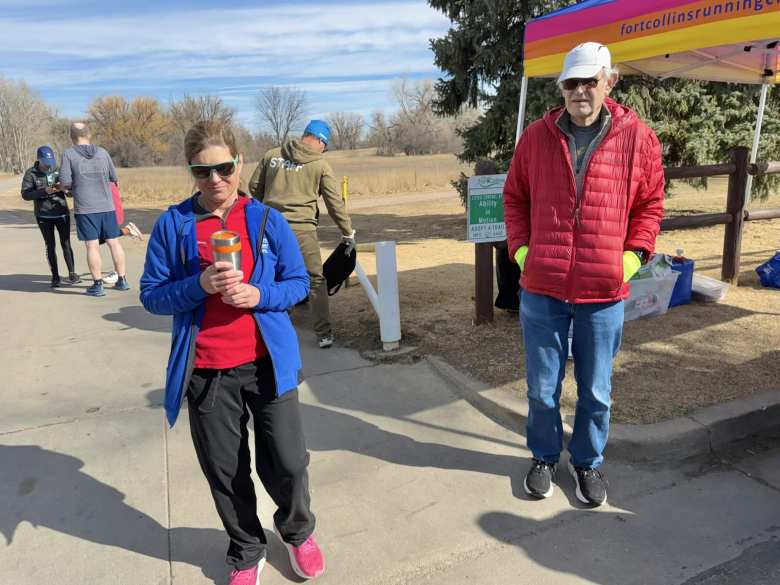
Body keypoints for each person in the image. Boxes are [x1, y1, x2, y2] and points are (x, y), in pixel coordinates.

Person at [140, 121, 325, 584]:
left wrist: (258, 295)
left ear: (239, 164)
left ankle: (298, 531)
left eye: (224, 168)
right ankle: (246, 547)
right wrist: (197, 285)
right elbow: (152, 295)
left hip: (267, 365)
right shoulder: (174, 225)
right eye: (203, 172)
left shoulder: (267, 219)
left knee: (287, 461)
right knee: (225, 469)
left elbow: (299, 283)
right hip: (207, 371)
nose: (215, 180)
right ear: (191, 173)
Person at [503, 42, 664, 506]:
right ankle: (543, 457)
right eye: (571, 83)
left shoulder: (638, 138)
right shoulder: (536, 136)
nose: (579, 92)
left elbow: (650, 206)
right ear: (562, 88)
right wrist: (523, 253)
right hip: (543, 289)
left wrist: (631, 258)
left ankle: (588, 463)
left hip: (603, 291)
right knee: (541, 389)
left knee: (596, 390)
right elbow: (515, 198)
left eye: (589, 81)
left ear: (609, 81)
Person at [249, 120, 355, 349]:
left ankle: (269, 333)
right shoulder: (320, 165)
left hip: (270, 228)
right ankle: (324, 334)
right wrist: (347, 232)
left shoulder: (272, 155)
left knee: (271, 277)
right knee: (315, 280)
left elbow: (253, 187)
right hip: (302, 230)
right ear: (319, 140)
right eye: (324, 145)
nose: (323, 150)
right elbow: (334, 203)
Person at [59, 122, 130, 296]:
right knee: (114, 242)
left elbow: (65, 183)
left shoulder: (69, 154)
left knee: (92, 246)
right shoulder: (103, 152)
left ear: (72, 136)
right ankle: (122, 280)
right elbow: (114, 178)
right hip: (107, 206)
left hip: (85, 208)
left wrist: (69, 189)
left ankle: (98, 285)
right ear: (89, 135)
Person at [21, 146, 81, 287]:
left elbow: (71, 190)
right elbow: (25, 195)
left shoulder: (59, 169)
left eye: (51, 161)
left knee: (66, 243)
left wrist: (66, 189)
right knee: (50, 245)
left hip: (61, 213)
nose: (49, 164)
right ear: (38, 159)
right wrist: (44, 191)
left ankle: (72, 273)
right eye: (45, 161)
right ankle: (55, 277)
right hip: (43, 215)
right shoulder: (31, 173)